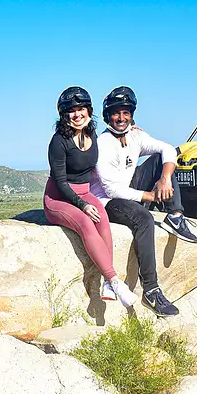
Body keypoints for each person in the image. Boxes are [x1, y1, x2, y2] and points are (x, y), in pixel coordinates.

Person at [90, 86, 197, 317]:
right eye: (116, 113)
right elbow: (111, 188)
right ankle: (151, 289)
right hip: (109, 201)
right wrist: (150, 196)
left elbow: (167, 149)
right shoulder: (103, 144)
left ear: (132, 113)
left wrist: (165, 179)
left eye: (126, 112)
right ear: (108, 115)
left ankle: (175, 216)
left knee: (161, 158)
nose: (121, 118)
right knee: (144, 219)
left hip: (129, 190)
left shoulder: (136, 136)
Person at [44, 86, 137, 308]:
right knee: (86, 223)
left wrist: (131, 131)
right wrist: (82, 205)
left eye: (81, 109)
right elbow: (60, 182)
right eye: (71, 111)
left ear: (89, 110)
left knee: (102, 219)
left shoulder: (91, 134)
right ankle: (115, 280)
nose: (77, 115)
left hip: (84, 192)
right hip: (59, 198)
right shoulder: (58, 142)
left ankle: (107, 284)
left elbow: (115, 136)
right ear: (63, 115)